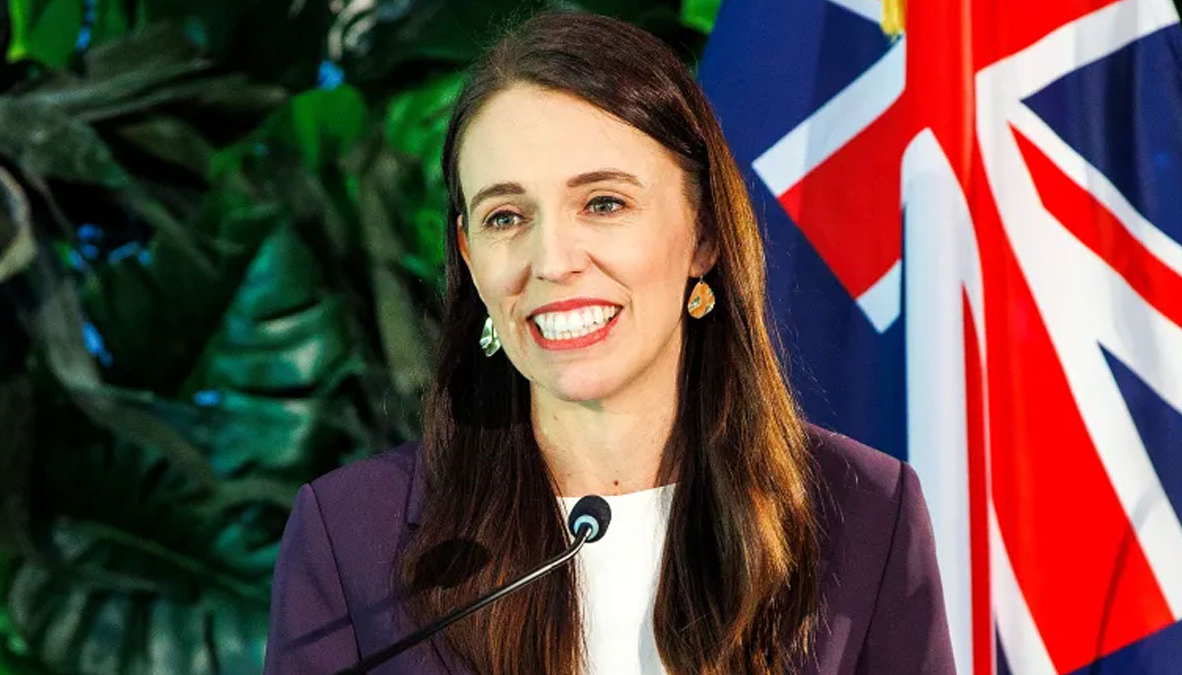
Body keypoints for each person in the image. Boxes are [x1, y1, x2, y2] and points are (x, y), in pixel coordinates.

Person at [264, 10, 954, 675]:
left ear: (705, 234)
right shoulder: (349, 535)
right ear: (469, 257)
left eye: (603, 203)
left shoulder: (867, 511)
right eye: (506, 216)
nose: (552, 260)